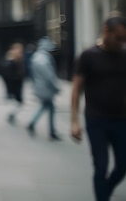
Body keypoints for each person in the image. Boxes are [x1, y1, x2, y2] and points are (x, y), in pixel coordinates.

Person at [71, 15, 126, 201]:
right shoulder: (88, 56)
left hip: (121, 120)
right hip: (96, 120)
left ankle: (105, 192)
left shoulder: (124, 55)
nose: (121, 43)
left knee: (122, 167)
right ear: (105, 31)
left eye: (124, 39)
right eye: (118, 38)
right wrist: (74, 121)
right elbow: (76, 88)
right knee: (101, 167)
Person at [26, 36, 61, 141]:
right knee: (49, 107)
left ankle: (48, 130)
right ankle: (51, 131)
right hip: (45, 88)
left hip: (40, 87)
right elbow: (49, 76)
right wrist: (56, 87)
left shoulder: (36, 57)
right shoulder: (44, 59)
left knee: (48, 107)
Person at [0, 42, 25, 124]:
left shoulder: (17, 61)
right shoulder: (10, 62)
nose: (20, 53)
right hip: (14, 86)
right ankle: (11, 114)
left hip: (17, 86)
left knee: (19, 103)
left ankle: (11, 115)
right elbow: (7, 75)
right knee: (18, 102)